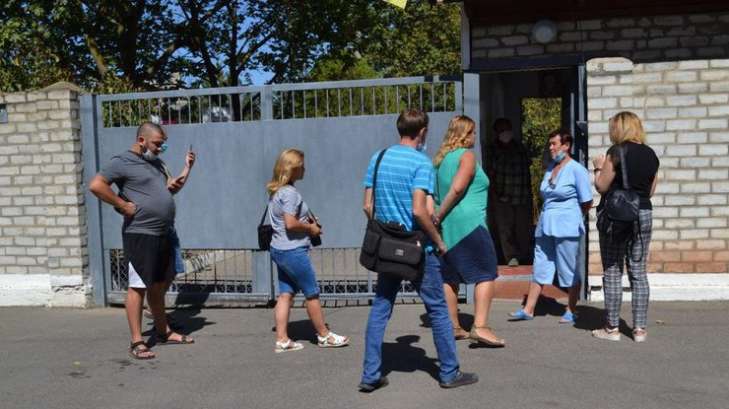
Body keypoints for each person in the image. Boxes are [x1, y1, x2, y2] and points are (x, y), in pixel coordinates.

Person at [359, 109, 478, 392]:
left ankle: (370, 374)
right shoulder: (421, 163)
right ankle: (449, 372)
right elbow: (419, 210)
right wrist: (439, 241)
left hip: (387, 248)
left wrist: (386, 231)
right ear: (422, 131)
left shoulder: (379, 157)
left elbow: (367, 206)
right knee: (437, 309)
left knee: (381, 307)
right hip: (417, 249)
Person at [89, 122, 194, 360]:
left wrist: (186, 170)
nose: (161, 148)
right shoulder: (122, 162)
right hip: (140, 233)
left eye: (163, 144)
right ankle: (137, 341)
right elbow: (96, 185)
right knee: (138, 286)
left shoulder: (156, 164)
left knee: (157, 285)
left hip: (163, 232)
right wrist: (122, 204)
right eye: (158, 143)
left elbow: (166, 192)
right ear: (141, 140)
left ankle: (164, 332)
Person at [266, 148, 349, 353]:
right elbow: (290, 223)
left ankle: (282, 339)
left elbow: (287, 220)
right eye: (301, 166)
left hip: (279, 249)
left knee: (285, 294)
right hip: (293, 251)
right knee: (311, 292)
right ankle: (324, 335)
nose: (305, 169)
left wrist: (306, 221)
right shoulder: (290, 193)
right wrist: (310, 228)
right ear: (292, 168)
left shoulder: (278, 191)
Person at [433, 115, 504, 346]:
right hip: (470, 224)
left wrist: (439, 218)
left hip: (449, 228)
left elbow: (436, 195)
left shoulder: (441, 161)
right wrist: (439, 215)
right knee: (487, 272)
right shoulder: (467, 156)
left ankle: (454, 326)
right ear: (464, 134)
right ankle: (480, 327)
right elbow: (457, 188)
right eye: (473, 132)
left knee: (449, 276)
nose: (475, 136)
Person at [508, 130, 592, 324]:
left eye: (554, 144)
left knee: (568, 267)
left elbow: (587, 201)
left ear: (566, 146)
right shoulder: (550, 168)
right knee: (540, 265)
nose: (551, 148)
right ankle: (528, 309)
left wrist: (573, 217)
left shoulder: (577, 170)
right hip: (546, 225)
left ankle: (571, 309)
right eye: (550, 144)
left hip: (567, 226)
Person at [591, 111, 659, 342]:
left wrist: (598, 167)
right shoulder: (651, 154)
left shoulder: (616, 152)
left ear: (619, 129)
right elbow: (650, 191)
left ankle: (612, 328)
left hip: (616, 215)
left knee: (612, 269)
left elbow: (601, 186)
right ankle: (639, 329)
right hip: (643, 213)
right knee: (638, 272)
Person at [487, 118, 533, 267]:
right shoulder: (492, 149)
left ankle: (524, 256)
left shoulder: (519, 147)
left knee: (522, 228)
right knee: (505, 228)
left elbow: (527, 167)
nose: (505, 133)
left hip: (521, 195)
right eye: (502, 130)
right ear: (497, 132)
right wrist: (496, 194)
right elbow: (490, 173)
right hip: (502, 196)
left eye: (507, 129)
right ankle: (511, 257)